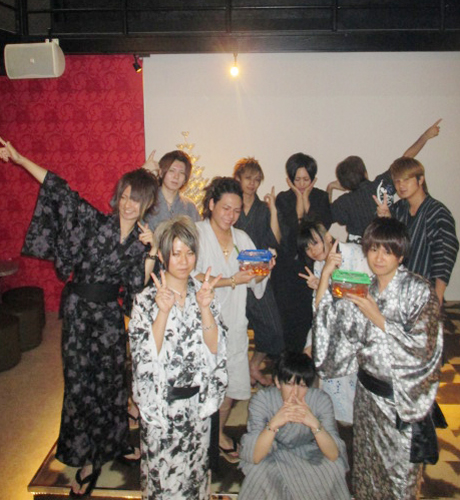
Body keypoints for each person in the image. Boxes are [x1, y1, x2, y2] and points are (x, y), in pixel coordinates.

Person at [0, 138, 159, 497]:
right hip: (79, 312)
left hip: (109, 316)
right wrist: (21, 159)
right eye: (125, 196)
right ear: (118, 196)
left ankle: (113, 443)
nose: (128, 204)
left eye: (136, 199)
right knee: (80, 383)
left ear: (147, 204)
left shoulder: (140, 241)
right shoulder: (93, 221)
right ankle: (86, 458)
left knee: (111, 382)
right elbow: (59, 188)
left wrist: (151, 250)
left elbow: (137, 284)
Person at [313, 217, 443, 499]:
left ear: (401, 254)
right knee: (366, 468)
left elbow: (425, 349)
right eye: (373, 249)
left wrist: (379, 319)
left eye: (387, 251)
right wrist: (325, 277)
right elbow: (331, 325)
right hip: (366, 399)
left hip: (400, 402)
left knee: (399, 475)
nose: (379, 258)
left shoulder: (419, 291)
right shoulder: (363, 289)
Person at [128, 216, 228, 499]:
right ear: (161, 256)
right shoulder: (145, 300)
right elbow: (144, 357)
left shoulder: (204, 293)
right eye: (176, 253)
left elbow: (215, 350)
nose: (184, 261)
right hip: (163, 411)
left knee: (195, 480)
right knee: (165, 484)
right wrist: (162, 311)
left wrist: (205, 308)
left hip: (197, 408)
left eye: (190, 252)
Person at [193, 177, 274, 462]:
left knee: (230, 384)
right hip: (202, 323)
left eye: (236, 210)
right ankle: (197, 437)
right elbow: (189, 274)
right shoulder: (196, 233)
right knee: (202, 384)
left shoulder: (242, 239)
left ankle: (218, 433)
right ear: (211, 204)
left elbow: (253, 283)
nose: (231, 215)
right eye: (225, 208)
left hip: (235, 323)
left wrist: (263, 270)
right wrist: (230, 280)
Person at [238, 351, 350, 500]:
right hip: (274, 453)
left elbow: (334, 453)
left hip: (310, 452)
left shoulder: (320, 399)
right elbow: (256, 455)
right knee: (258, 470)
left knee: (334, 467)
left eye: (302, 385)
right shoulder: (262, 399)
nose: (295, 393)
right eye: (289, 384)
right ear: (278, 382)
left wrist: (314, 423)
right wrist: (274, 423)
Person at [298, 219, 370, 424]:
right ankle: (338, 421)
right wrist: (311, 341)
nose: (312, 251)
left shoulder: (355, 253)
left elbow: (366, 290)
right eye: (307, 248)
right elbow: (319, 309)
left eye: (315, 243)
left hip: (360, 327)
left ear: (328, 237)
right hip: (333, 332)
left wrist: (325, 284)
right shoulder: (320, 265)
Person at [327, 119, 442, 242]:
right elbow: (406, 158)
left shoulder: (344, 202)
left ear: (345, 185)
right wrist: (425, 136)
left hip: (357, 250)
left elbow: (326, 216)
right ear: (365, 173)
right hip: (386, 245)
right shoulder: (381, 184)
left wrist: (330, 187)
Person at [375, 156, 458, 304]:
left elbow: (445, 256)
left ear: (420, 180)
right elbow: (390, 247)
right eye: (397, 181)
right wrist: (387, 220)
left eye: (406, 180)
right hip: (398, 291)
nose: (401, 185)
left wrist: (437, 298)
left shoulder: (437, 213)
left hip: (425, 292)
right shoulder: (398, 209)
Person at [272, 152, 331, 351]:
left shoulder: (321, 197)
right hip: (286, 268)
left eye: (306, 179)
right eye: (297, 179)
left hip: (313, 266)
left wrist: (306, 201)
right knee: (287, 321)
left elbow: (318, 231)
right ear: (290, 179)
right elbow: (289, 234)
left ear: (313, 178)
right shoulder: (283, 198)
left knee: (309, 318)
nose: (302, 184)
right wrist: (299, 199)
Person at [233, 157, 284, 386]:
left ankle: (254, 364)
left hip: (259, 276)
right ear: (238, 179)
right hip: (234, 276)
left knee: (273, 329)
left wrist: (273, 210)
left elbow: (274, 240)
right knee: (234, 329)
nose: (252, 184)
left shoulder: (262, 209)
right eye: (247, 178)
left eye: (256, 180)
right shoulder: (231, 206)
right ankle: (236, 376)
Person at [144, 149, 200, 231]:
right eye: (171, 171)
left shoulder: (190, 207)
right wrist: (143, 171)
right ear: (161, 173)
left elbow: (197, 235)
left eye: (181, 172)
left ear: (185, 179)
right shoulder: (148, 201)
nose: (176, 176)